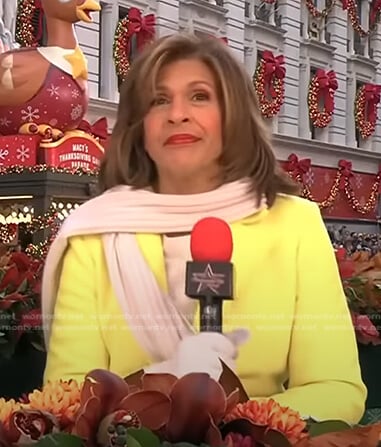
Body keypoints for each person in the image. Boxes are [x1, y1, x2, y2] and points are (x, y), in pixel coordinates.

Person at [41, 33, 366, 424]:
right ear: (140, 124)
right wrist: (159, 396)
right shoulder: (94, 234)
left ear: (233, 116)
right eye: (159, 100)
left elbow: (336, 388)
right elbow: (71, 393)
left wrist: (233, 425)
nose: (177, 113)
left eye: (199, 96)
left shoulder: (294, 224)